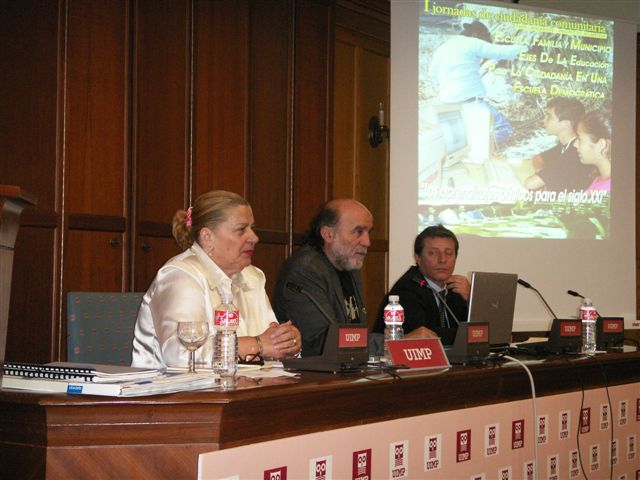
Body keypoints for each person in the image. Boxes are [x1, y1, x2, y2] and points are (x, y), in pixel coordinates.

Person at [131, 190, 301, 369]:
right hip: (176, 392)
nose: (254, 238)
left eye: (253, 229)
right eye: (241, 230)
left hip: (243, 388)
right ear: (207, 237)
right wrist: (257, 345)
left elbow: (270, 343)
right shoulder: (179, 276)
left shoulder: (253, 277)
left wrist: (286, 342)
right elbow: (182, 354)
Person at [272, 199, 373, 357]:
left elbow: (354, 336)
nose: (367, 242)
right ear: (328, 234)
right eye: (358, 231)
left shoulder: (349, 266)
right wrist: (391, 342)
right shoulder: (305, 270)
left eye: (369, 232)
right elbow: (324, 342)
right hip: (310, 377)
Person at [429, 20, 527, 147]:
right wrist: (526, 47)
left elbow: (432, 73)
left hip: (447, 104)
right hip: (471, 103)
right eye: (484, 39)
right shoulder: (472, 43)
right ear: (475, 34)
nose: (484, 42)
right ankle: (480, 149)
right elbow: (502, 52)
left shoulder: (442, 48)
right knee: (503, 129)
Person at [373, 225, 470, 345]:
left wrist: (471, 299)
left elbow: (484, 332)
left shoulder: (456, 290)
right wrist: (471, 335)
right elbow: (426, 336)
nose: (442, 260)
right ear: (418, 257)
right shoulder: (406, 290)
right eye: (433, 253)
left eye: (449, 253)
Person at [524, 98, 593, 192]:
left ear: (565, 124)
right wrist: (541, 171)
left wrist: (544, 177)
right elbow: (538, 158)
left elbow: (530, 184)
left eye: (549, 116)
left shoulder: (575, 154)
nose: (544, 120)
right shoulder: (565, 145)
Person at [574, 109, 611, 193]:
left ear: (601, 145)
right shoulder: (600, 179)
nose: (575, 144)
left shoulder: (607, 190)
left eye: (580, 139)